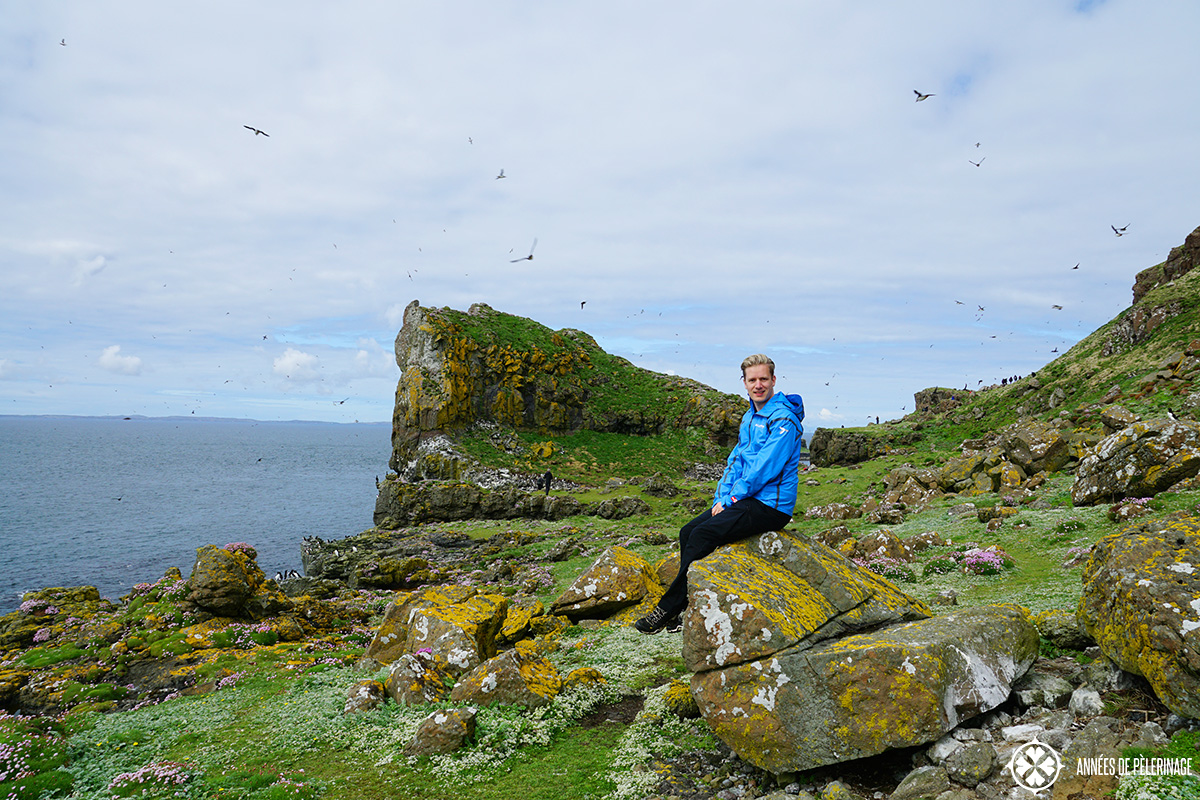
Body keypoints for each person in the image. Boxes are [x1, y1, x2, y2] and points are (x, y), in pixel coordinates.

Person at [635, 354, 804, 634]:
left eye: (764, 379)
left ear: (774, 380)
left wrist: (732, 500)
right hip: (748, 498)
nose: (758, 385)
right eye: (752, 380)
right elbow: (736, 461)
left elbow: (764, 468)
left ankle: (667, 610)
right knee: (689, 531)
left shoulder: (784, 419)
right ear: (745, 383)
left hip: (770, 506)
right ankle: (680, 608)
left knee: (703, 535)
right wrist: (721, 498)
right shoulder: (751, 416)